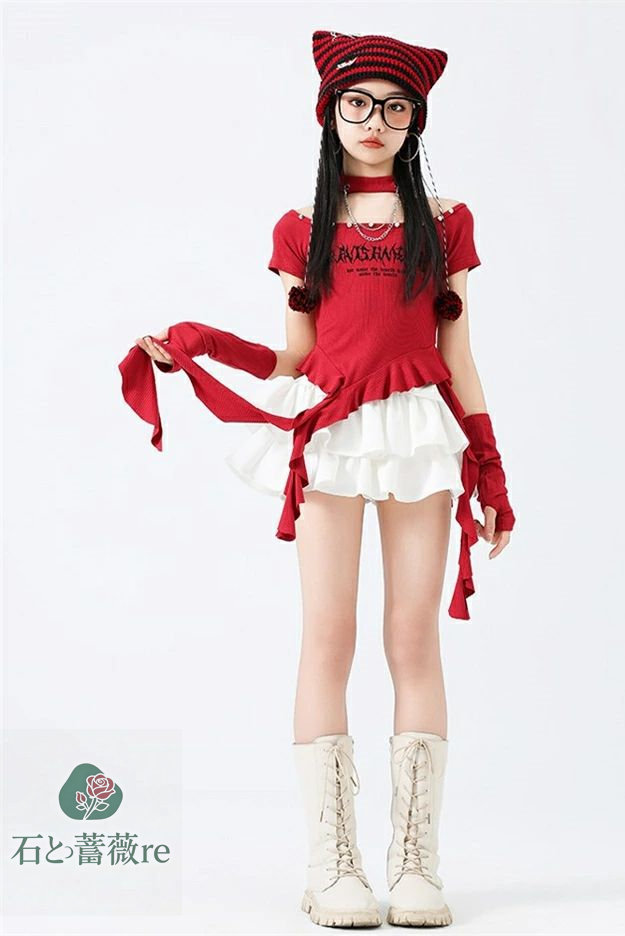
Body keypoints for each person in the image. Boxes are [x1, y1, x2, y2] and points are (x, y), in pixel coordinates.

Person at [121, 28, 516, 930]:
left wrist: (491, 470)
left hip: (418, 431)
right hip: (331, 434)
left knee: (413, 637)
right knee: (327, 635)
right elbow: (296, 355)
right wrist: (198, 345)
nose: (375, 121)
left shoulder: (446, 220)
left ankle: (415, 863)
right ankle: (331, 863)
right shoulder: (301, 228)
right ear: (330, 113)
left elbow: (459, 353)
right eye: (358, 104)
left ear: (416, 121)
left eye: (396, 107)